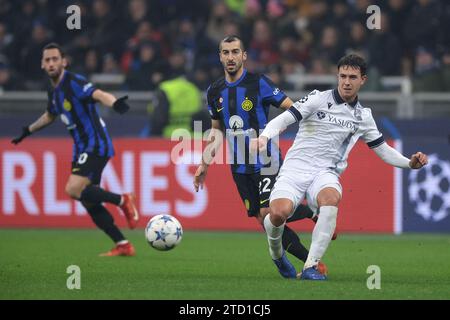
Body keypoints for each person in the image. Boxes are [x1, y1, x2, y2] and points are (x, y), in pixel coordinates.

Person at [251, 54, 428, 280]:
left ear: (362, 80)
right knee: (277, 214)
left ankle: (310, 267)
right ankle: (276, 254)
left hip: (326, 173)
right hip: (295, 168)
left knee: (331, 199)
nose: (346, 81)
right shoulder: (317, 99)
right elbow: (284, 119)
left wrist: (410, 163)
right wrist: (264, 137)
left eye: (352, 77)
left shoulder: (363, 116)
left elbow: (383, 150)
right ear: (337, 76)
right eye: (343, 76)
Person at [193, 35, 332, 279]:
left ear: (244, 55)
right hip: (239, 166)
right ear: (220, 57)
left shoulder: (259, 83)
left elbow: (293, 108)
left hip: (267, 160)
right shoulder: (214, 91)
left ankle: (311, 256)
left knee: (270, 214)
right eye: (225, 52)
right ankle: (310, 232)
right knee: (264, 220)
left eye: (235, 51)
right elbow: (216, 130)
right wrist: (204, 164)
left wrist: (303, 131)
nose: (230, 57)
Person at [11, 43, 140, 257]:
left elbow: (98, 94)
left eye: (55, 59)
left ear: (64, 62)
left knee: (73, 189)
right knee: (88, 199)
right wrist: (28, 130)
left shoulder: (74, 82)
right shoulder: (53, 91)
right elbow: (51, 115)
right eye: (47, 60)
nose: (51, 63)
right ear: (42, 65)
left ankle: (123, 200)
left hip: (95, 144)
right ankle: (123, 244)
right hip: (81, 147)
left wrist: (114, 103)